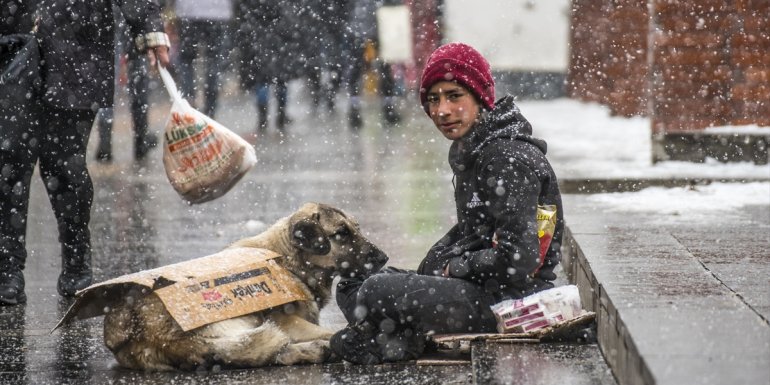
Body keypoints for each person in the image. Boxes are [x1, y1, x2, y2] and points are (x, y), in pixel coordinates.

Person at [329, 42, 565, 364]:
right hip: (481, 287)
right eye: (433, 99)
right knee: (353, 283)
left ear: (480, 98)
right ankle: (394, 338)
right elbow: (472, 231)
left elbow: (519, 259)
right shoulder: (475, 147)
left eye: (454, 96)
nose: (442, 111)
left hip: (510, 300)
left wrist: (456, 267)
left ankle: (389, 339)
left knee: (374, 292)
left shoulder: (505, 159)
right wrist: (436, 266)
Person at [0, 0, 170, 305]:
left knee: (65, 166)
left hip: (76, 50)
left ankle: (76, 260)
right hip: (12, 46)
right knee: (9, 160)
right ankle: (7, 268)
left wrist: (150, 31)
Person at [95, 5, 157, 163]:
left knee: (108, 78)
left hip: (106, 12)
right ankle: (140, 140)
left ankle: (105, 141)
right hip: (135, 11)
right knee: (138, 78)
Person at [173, 0, 232, 118]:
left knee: (186, 60)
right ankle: (210, 110)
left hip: (188, 10)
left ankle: (188, 104)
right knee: (214, 61)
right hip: (217, 11)